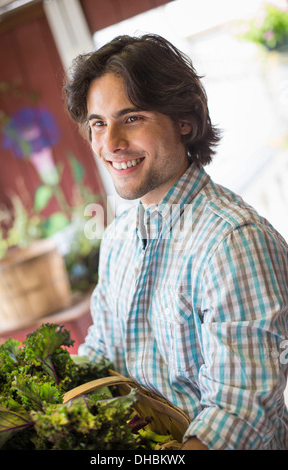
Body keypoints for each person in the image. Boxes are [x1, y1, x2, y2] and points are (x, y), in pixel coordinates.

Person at [64, 34, 288, 450]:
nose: (110, 143)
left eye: (131, 118)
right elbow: (103, 354)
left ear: (184, 121)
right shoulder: (116, 240)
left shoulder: (234, 242)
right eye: (98, 123)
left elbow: (239, 412)